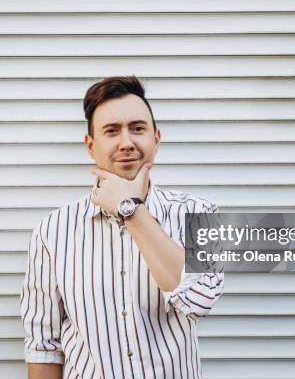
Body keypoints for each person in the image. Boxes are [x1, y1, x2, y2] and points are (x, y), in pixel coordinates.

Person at [20, 76, 224, 379]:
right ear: (91, 146)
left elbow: (198, 300)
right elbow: (43, 345)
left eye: (138, 128)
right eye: (112, 131)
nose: (126, 142)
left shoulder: (199, 213)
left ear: (156, 138)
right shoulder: (53, 231)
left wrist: (131, 211)